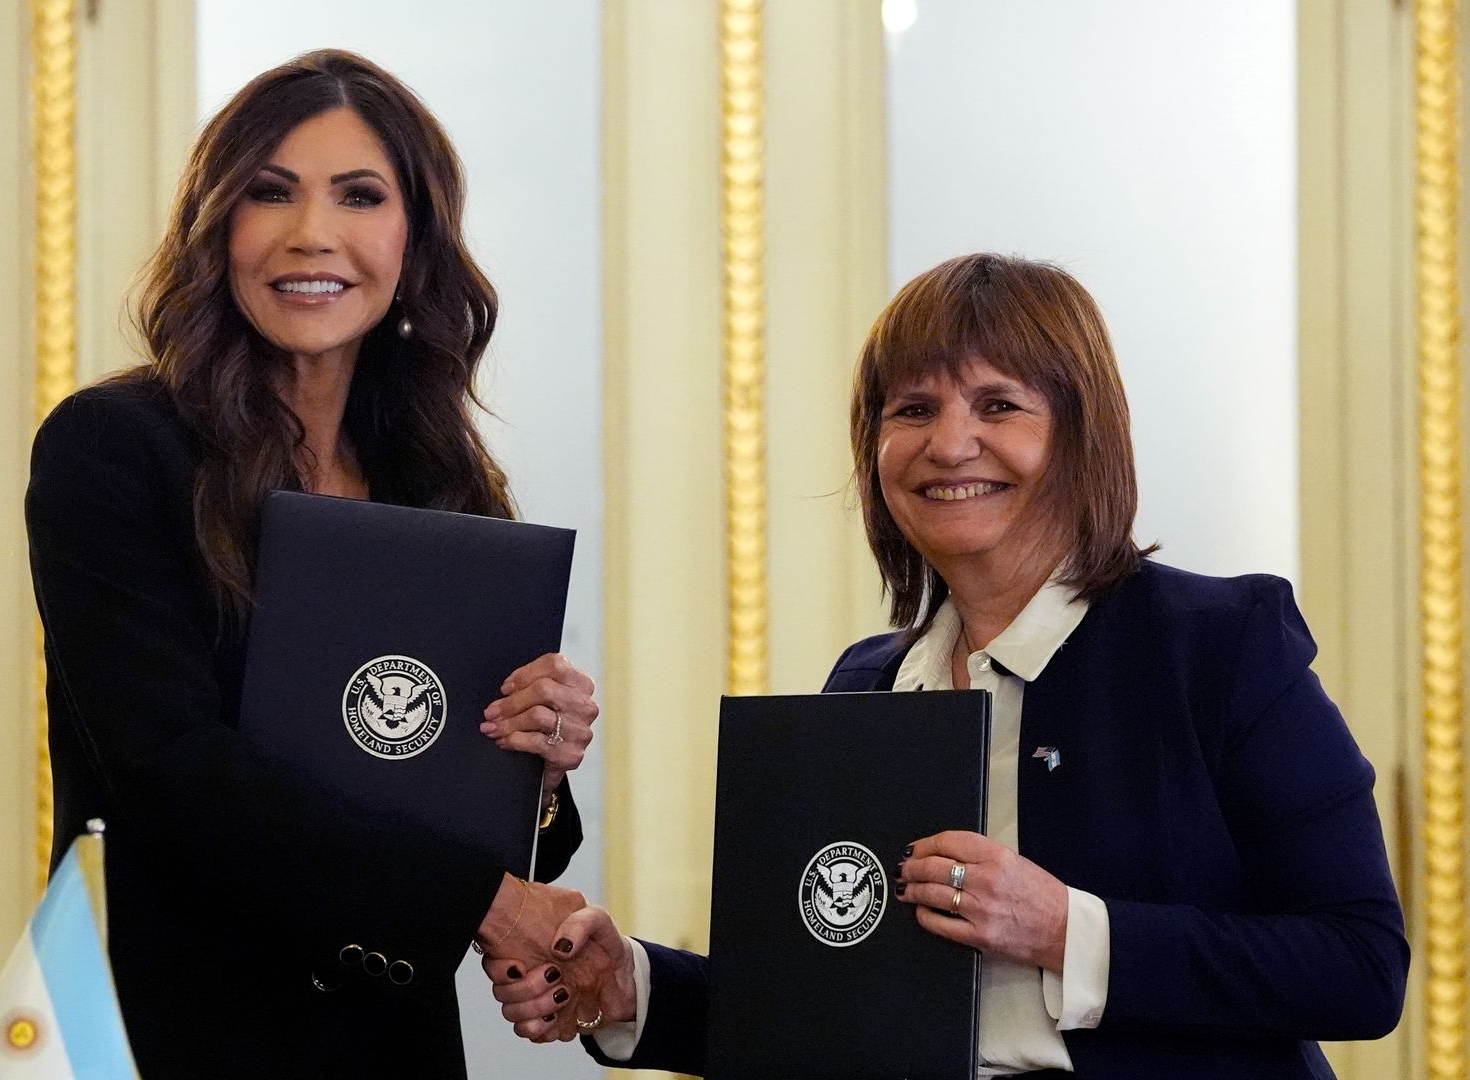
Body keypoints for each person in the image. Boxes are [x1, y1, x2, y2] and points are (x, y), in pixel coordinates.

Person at [485, 253, 1408, 1077]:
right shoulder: (868, 685)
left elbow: (1362, 967)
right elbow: (825, 999)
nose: (950, 443)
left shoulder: (1222, 644)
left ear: (1083, 436)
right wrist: (629, 986)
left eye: (999, 405)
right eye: (913, 410)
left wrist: (1067, 932)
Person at [26, 49, 598, 1078]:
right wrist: (480, 899)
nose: (311, 235)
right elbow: (173, 773)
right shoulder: (113, 447)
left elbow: (509, 836)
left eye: (360, 196)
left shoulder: (440, 481)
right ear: (218, 227)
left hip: (389, 1046)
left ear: (413, 240)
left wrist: (539, 765)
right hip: (174, 1033)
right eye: (269, 193)